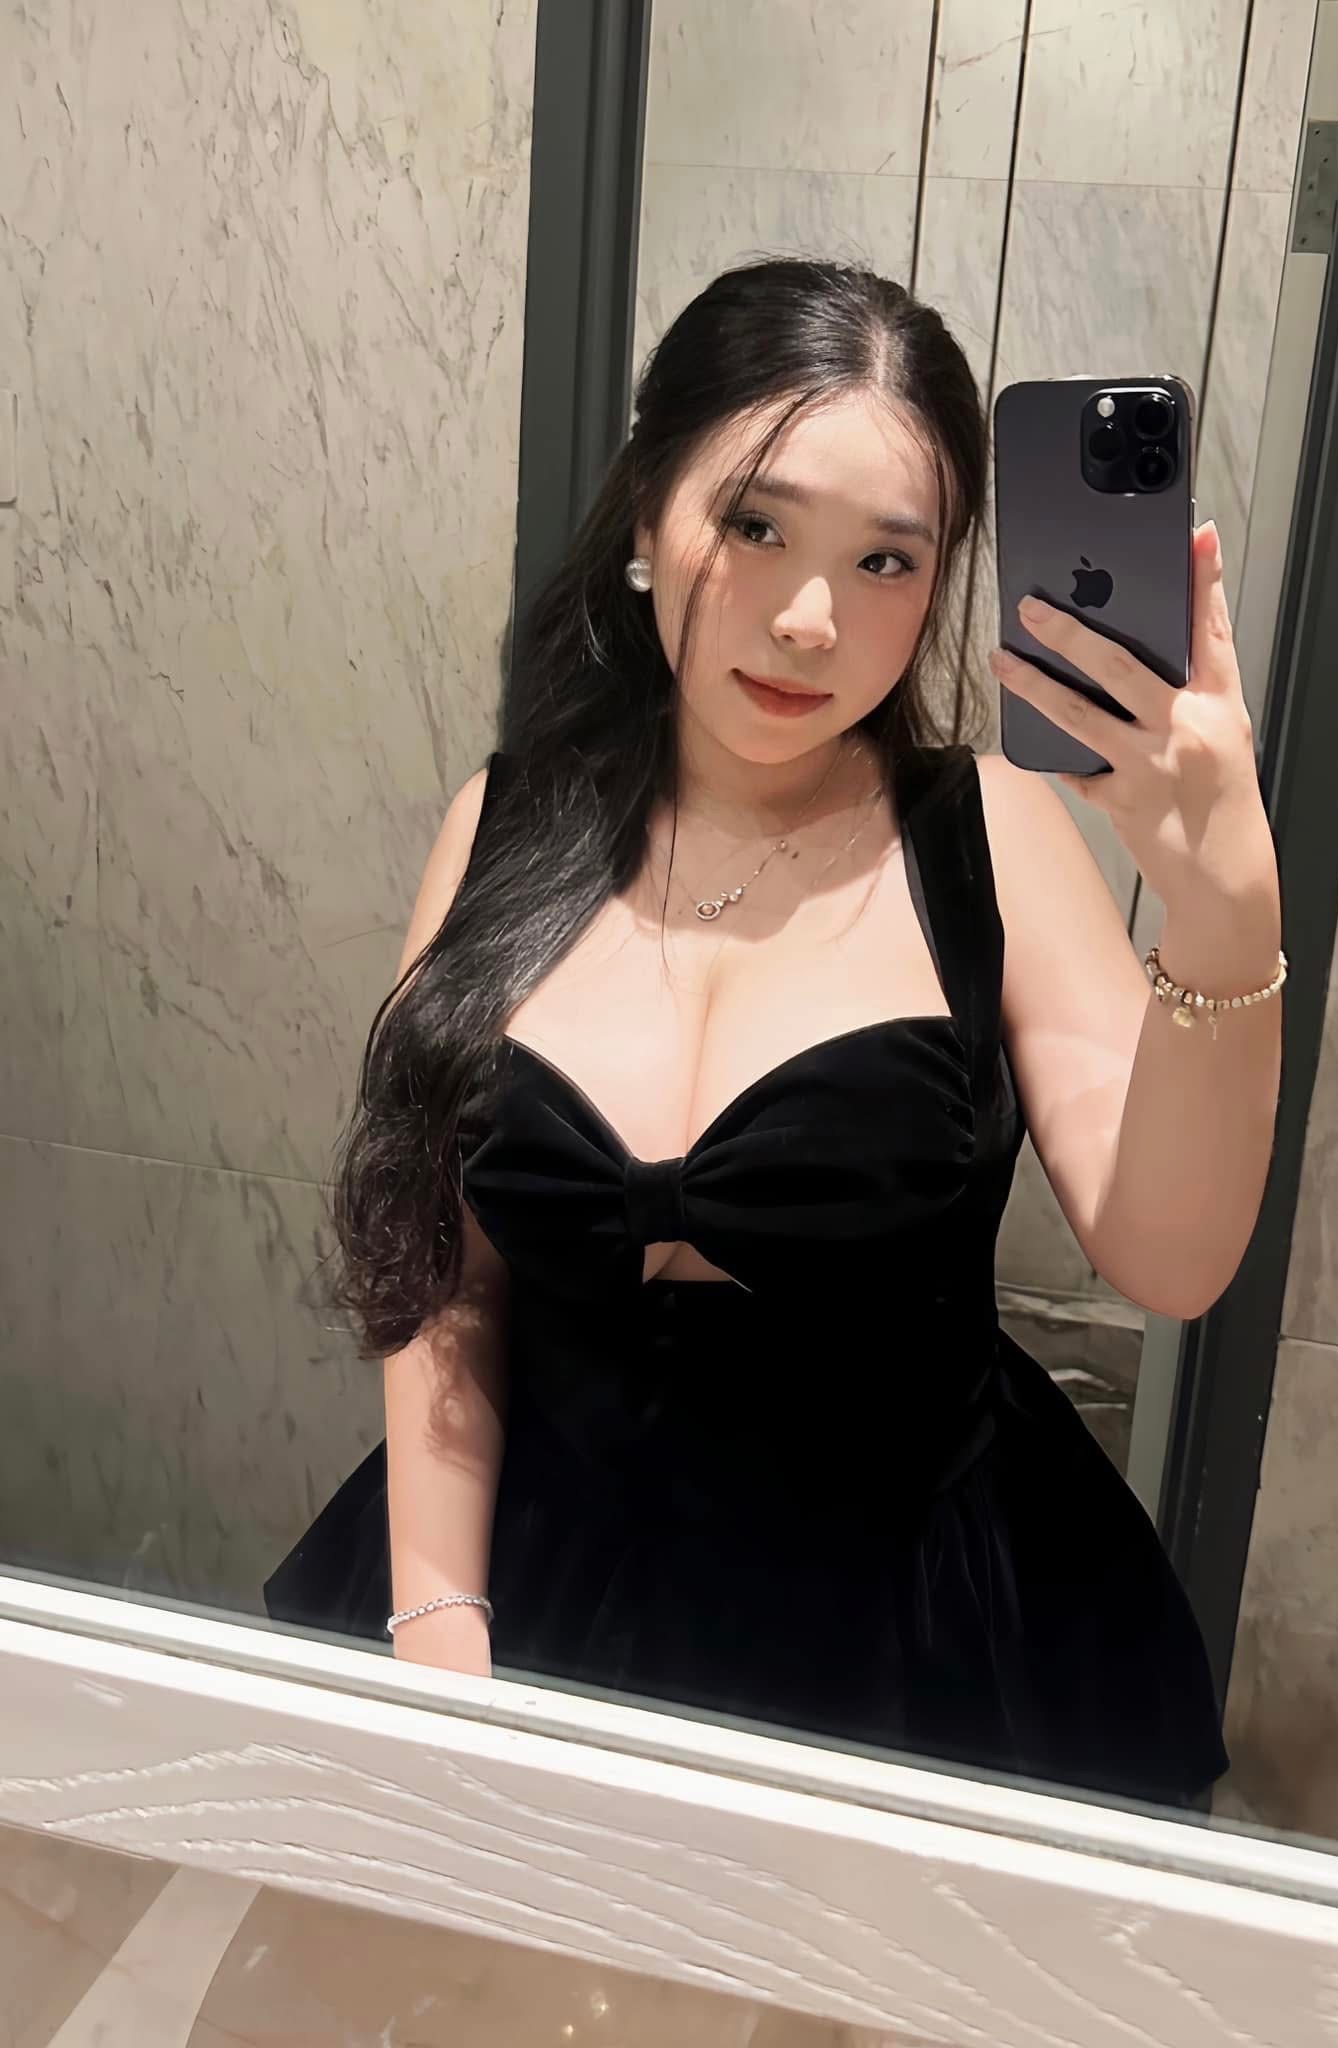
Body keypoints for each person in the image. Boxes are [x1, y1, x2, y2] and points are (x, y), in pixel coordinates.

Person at [265, 258, 1283, 1810]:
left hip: (917, 1654)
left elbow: (1173, 1259)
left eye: (887, 561)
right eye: (756, 526)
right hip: (520, 1599)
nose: (812, 620)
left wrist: (1224, 910)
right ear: (646, 516)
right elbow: (447, 1274)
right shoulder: (501, 831)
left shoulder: (989, 836)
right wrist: (437, 1622)